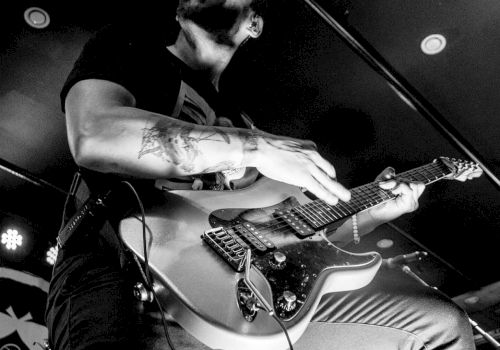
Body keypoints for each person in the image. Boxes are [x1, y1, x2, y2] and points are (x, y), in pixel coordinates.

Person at [45, 0, 476, 349]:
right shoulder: (128, 48)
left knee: (439, 324)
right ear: (178, 8)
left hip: (246, 300)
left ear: (255, 22)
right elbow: (95, 136)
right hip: (122, 268)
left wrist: (377, 212)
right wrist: (256, 148)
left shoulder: (244, 121)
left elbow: (290, 237)